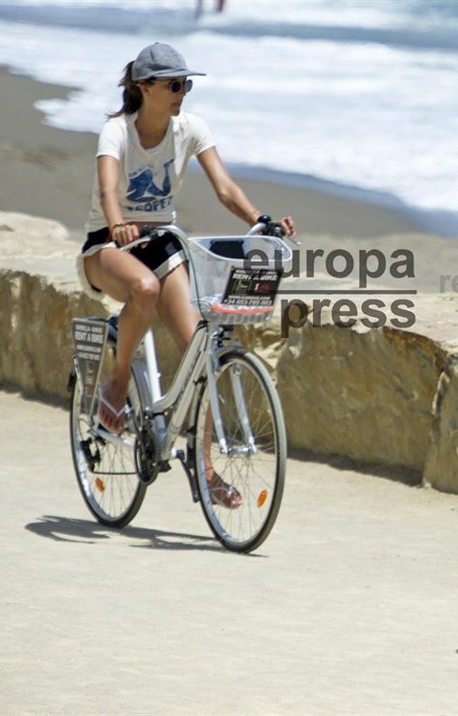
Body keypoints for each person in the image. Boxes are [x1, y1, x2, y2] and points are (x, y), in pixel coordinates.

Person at [77, 42, 295, 508]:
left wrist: (261, 219)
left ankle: (206, 469)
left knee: (202, 347)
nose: (182, 93)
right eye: (174, 84)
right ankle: (116, 384)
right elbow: (108, 188)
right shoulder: (116, 131)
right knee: (143, 287)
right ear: (144, 87)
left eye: (186, 84)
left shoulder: (190, 128)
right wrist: (117, 223)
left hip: (161, 242)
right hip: (107, 246)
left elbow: (225, 187)